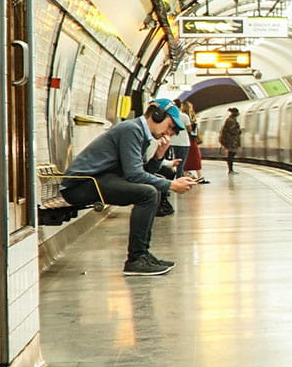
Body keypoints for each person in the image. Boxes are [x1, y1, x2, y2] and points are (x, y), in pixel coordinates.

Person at [61, 99, 197, 275]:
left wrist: (158, 157)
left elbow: (141, 172)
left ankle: (142, 255)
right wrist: (171, 184)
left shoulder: (138, 132)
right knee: (148, 193)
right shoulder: (131, 129)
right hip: (81, 184)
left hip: (98, 180)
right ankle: (136, 259)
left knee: (151, 191)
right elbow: (135, 175)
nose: (169, 133)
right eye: (170, 126)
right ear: (157, 115)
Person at [220, 108, 243, 174]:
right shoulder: (231, 121)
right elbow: (233, 131)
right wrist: (239, 130)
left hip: (231, 141)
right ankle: (230, 170)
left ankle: (231, 169)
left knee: (231, 155)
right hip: (231, 141)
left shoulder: (230, 120)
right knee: (231, 155)